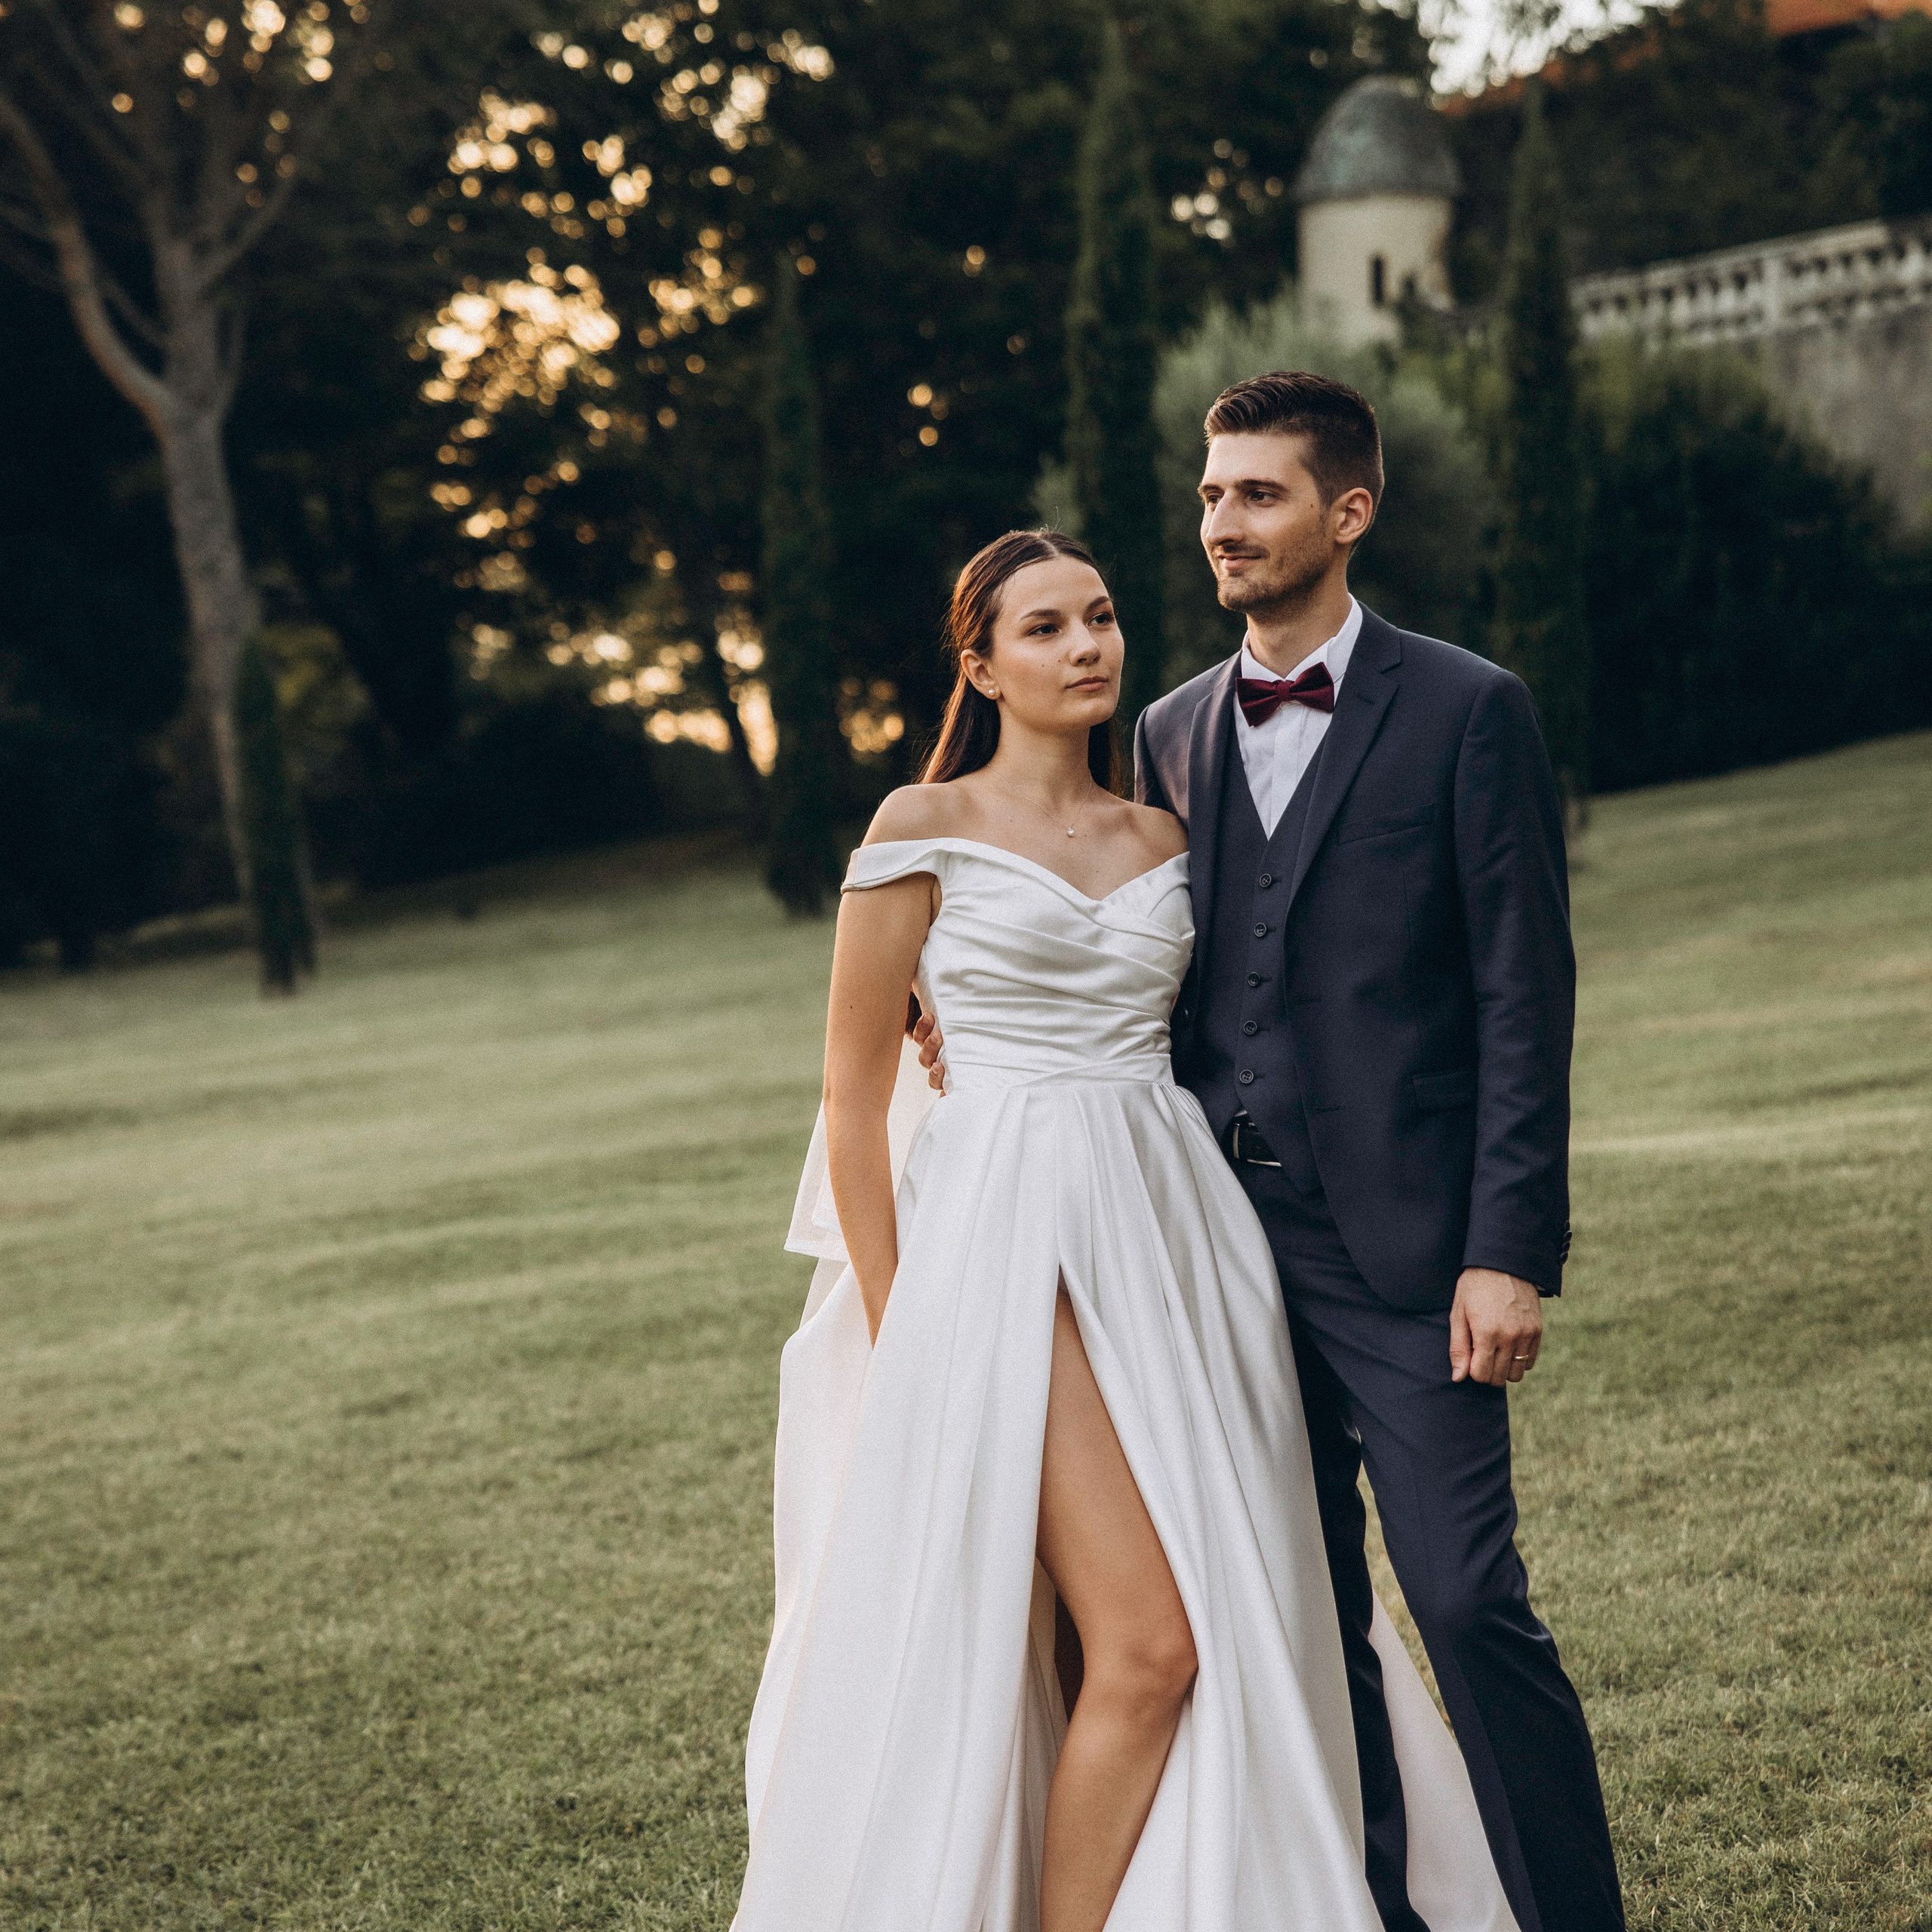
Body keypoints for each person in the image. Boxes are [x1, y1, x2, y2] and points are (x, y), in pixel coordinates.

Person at [734, 528, 1524, 1932]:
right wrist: (910, 1325)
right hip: (999, 1248)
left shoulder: (1164, 827)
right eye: (1043, 629)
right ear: (979, 665)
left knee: (1227, 1607)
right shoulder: (918, 827)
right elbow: (854, 1105)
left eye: (1099, 617)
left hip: (1178, 1246)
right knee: (1144, 1643)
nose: (1087, 645)